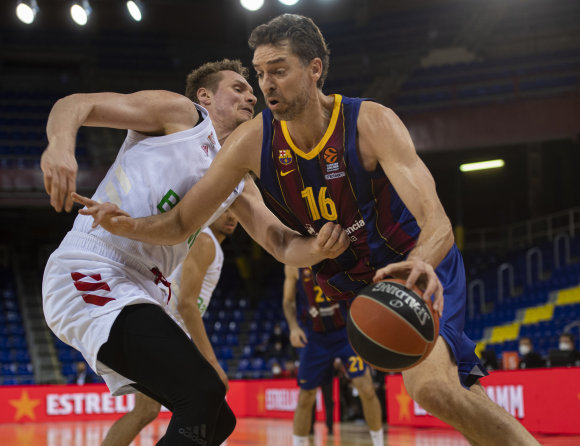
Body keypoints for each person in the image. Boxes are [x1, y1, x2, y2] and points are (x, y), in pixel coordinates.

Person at [74, 14, 541, 445]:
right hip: (347, 288)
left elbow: (438, 221)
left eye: (278, 70)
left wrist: (418, 264)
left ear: (314, 68)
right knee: (455, 394)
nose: (266, 85)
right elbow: (182, 222)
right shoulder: (251, 143)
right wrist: (129, 224)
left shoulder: (370, 122)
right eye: (260, 73)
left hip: (410, 268)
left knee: (433, 389)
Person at [41, 58, 349, 446]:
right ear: (205, 96)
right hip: (94, 264)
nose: (251, 93)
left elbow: (281, 243)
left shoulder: (236, 175)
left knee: (217, 418)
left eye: (250, 90)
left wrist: (319, 246)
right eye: (237, 87)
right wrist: (60, 148)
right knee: (201, 394)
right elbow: (74, 104)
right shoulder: (182, 116)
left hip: (144, 288)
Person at [102, 210, 237, 446]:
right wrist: (212, 361)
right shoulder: (205, 240)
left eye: (234, 211)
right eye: (224, 210)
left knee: (145, 412)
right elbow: (186, 304)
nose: (230, 216)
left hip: (161, 327)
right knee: (210, 408)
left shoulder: (208, 242)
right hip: (167, 328)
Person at [283, 265, 383, 446]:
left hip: (345, 333)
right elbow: (288, 301)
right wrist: (293, 327)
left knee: (366, 389)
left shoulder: (336, 251)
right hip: (314, 336)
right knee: (306, 396)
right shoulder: (292, 263)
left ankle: (379, 443)